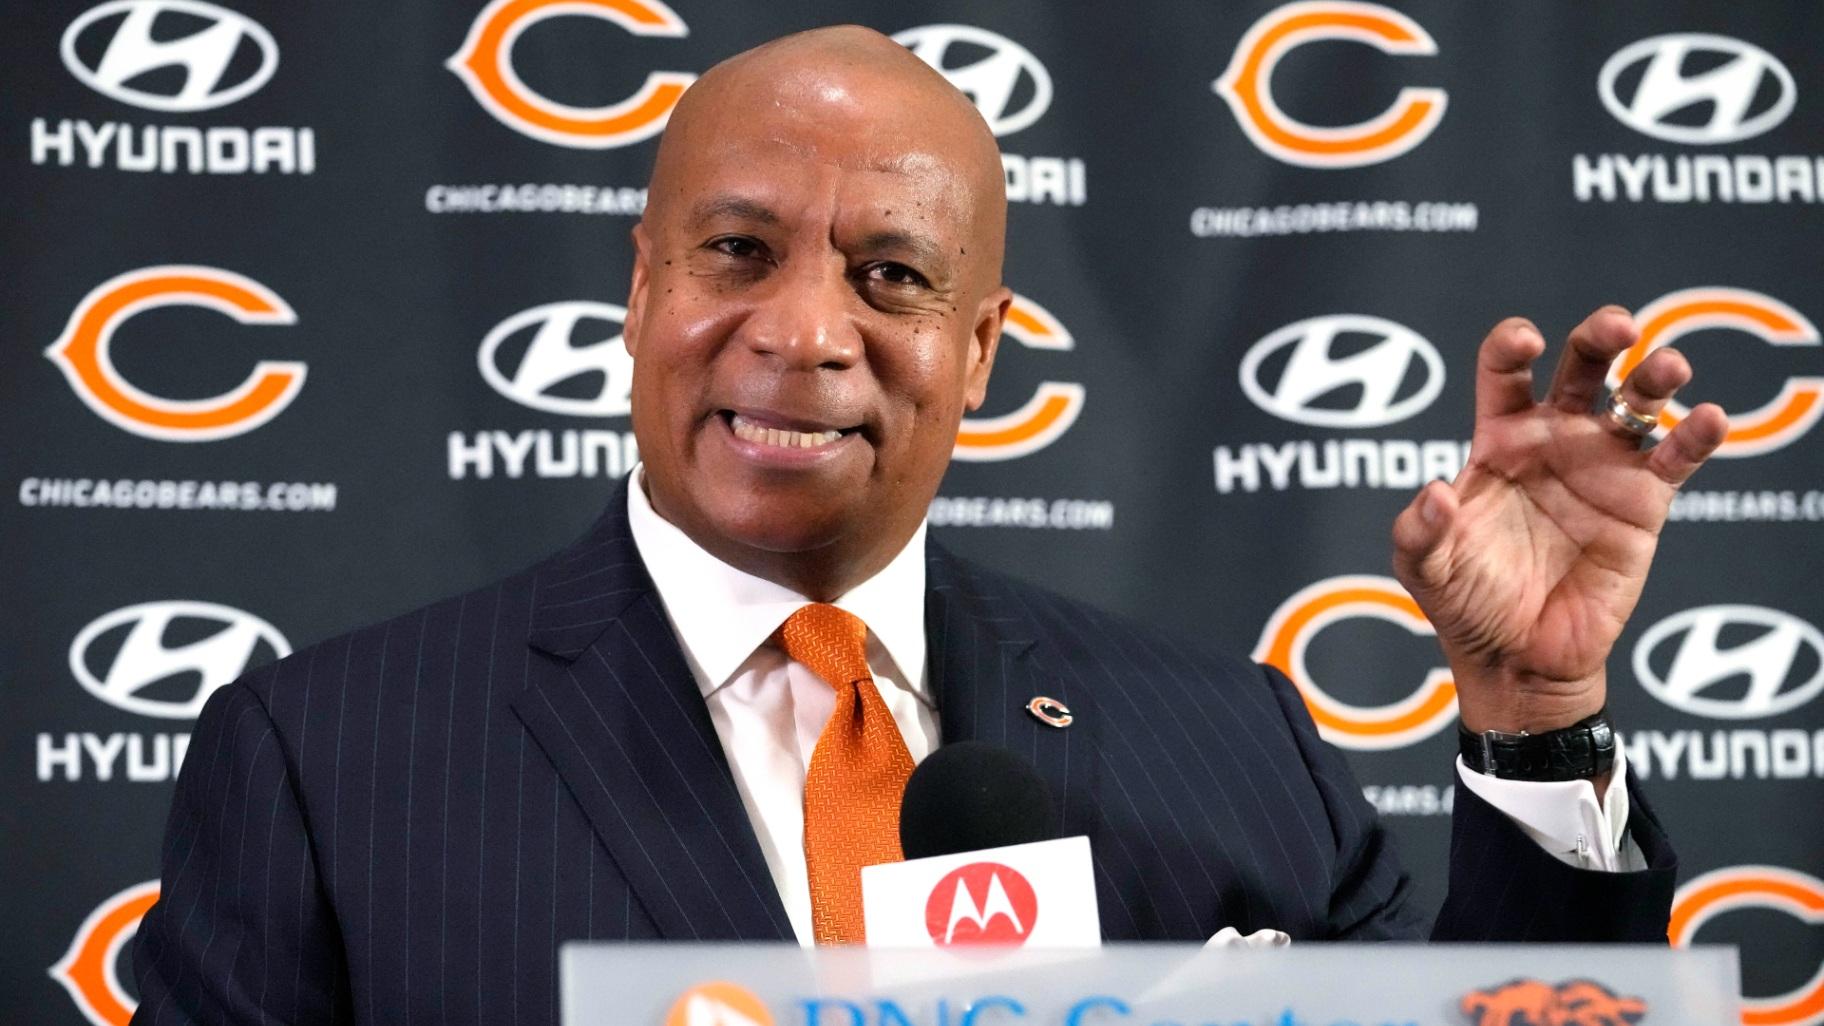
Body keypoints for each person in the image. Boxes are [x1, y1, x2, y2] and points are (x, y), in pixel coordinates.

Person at [130, 25, 1727, 1025]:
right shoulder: (323, 758)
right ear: (639, 290)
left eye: (890, 275)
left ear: (978, 351)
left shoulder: (1229, 736)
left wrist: (1533, 715)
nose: (805, 332)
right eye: (740, 251)